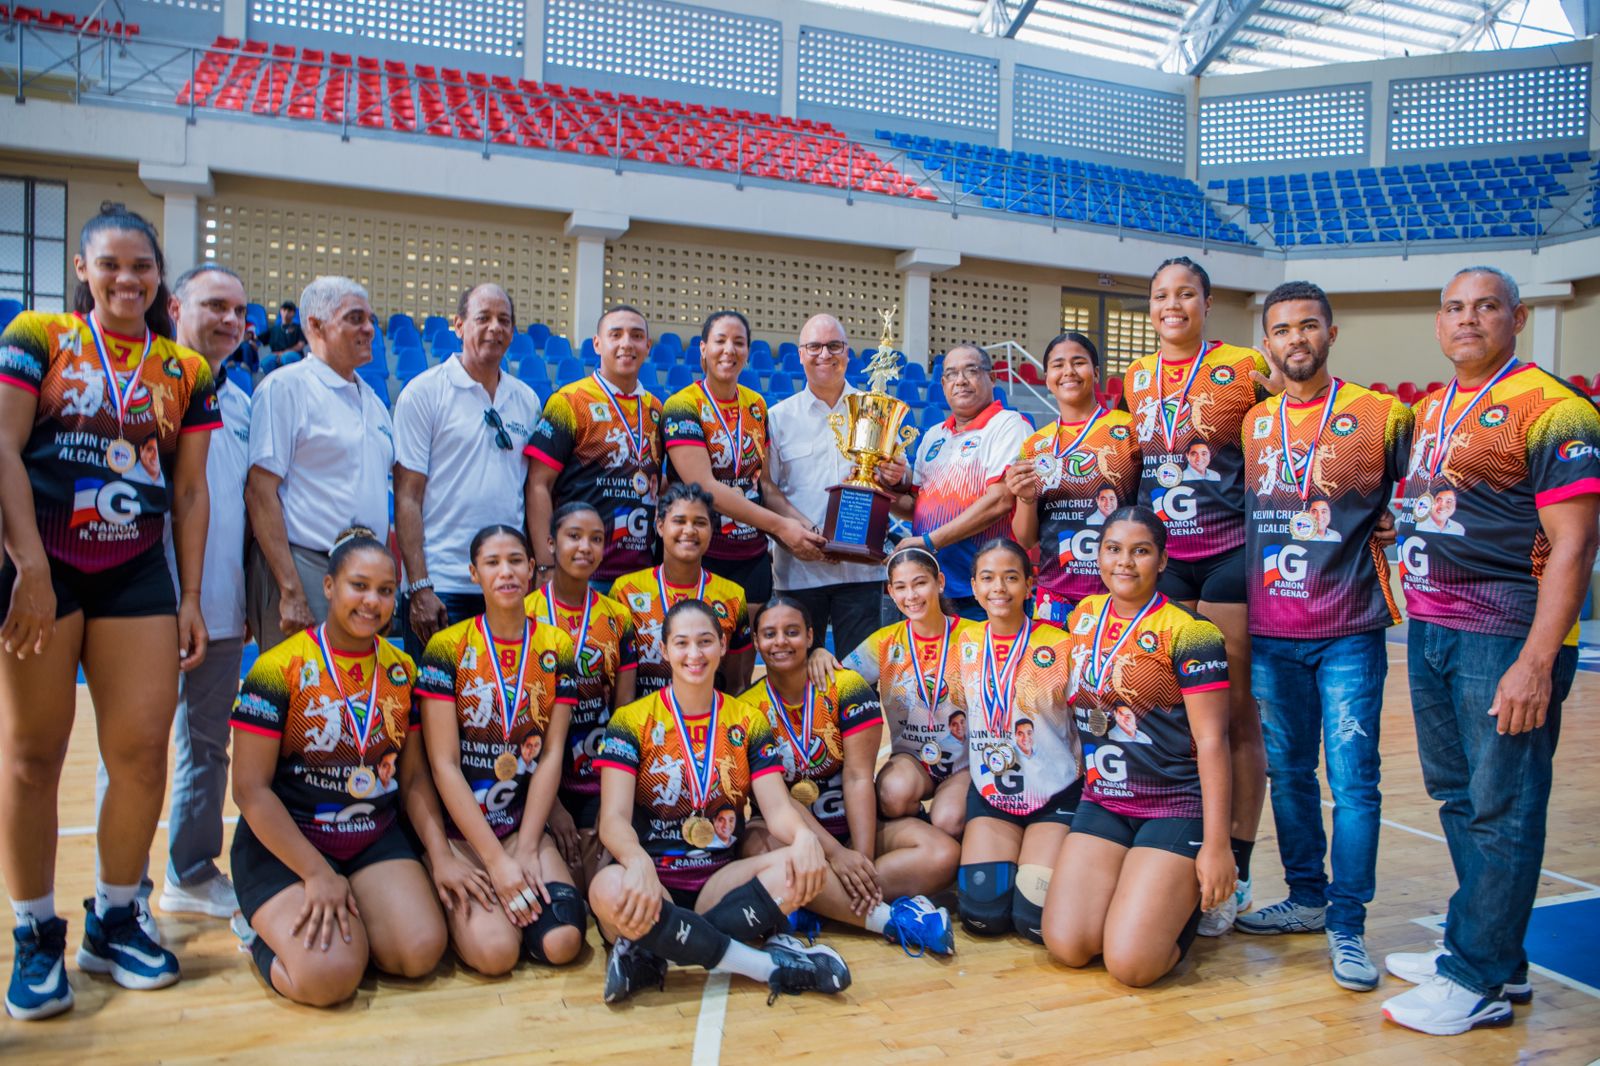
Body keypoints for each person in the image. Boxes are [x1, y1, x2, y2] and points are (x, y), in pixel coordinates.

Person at [0, 207, 218, 1019]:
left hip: (135, 573)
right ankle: (32, 932)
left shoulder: (185, 369)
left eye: (142, 267)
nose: (127, 280)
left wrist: (191, 594)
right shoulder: (38, 336)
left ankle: (116, 916)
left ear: (160, 277)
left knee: (140, 756)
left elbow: (192, 491)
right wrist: (26, 567)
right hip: (44, 567)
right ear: (85, 271)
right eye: (111, 265)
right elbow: (2, 447)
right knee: (32, 757)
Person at [1382, 267, 1600, 1036]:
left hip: (1505, 629)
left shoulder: (1555, 410)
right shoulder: (1431, 408)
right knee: (1460, 795)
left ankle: (1472, 977)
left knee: (1504, 804)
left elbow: (1575, 547)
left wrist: (1537, 660)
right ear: (1439, 325)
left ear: (1515, 317)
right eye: (1454, 308)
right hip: (1432, 626)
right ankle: (1496, 954)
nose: (1467, 319)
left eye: (1485, 307)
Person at [1236, 281, 1413, 992]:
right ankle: (1307, 898)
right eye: (1281, 330)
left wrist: (1397, 521)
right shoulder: (1253, 423)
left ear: (1331, 334)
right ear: (1269, 341)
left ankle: (1348, 924)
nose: (1295, 340)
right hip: (1271, 632)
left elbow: (1424, 487)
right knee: (1289, 775)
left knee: (1354, 784)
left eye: (1308, 327)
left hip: (1349, 630)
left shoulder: (1381, 415)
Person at [587, 599, 852, 1005]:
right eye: (682, 643)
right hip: (654, 881)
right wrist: (638, 862)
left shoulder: (747, 719)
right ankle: (766, 967)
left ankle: (660, 947)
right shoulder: (630, 720)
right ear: (664, 650)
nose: (694, 655)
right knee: (605, 888)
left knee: (799, 861)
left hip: (720, 885)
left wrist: (804, 839)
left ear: (723, 646)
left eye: (705, 642)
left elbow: (778, 808)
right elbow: (613, 819)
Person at [228, 527, 447, 1006]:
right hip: (290, 842)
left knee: (420, 953)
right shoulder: (277, 667)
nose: (372, 602)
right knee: (328, 979)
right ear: (328, 587)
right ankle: (256, 932)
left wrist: (441, 854)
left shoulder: (401, 669)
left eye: (386, 591)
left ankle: (356, 922)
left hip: (370, 833)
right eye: (359, 586)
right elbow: (249, 791)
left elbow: (411, 777)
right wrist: (316, 873)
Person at [1122, 255, 1269, 934]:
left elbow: (1301, 427)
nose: (1172, 304)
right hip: (1165, 560)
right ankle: (1181, 846)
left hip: (1230, 555)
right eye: (1160, 294)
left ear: (1207, 302)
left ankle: (1233, 867)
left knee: (1233, 714)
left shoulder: (1246, 366)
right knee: (1173, 711)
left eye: (1185, 293)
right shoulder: (1137, 377)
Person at [1041, 506, 1234, 987]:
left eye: (1140, 551)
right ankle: (1142, 892)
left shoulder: (1191, 633)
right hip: (1103, 801)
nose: (1124, 563)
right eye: (1113, 550)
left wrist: (1218, 845)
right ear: (1099, 555)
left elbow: (1213, 741)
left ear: (1163, 561)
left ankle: (1180, 909)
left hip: (1173, 805)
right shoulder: (1083, 617)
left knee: (1131, 966)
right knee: (1068, 946)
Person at [408, 525, 585, 974]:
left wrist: (525, 849)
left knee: (563, 941)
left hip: (518, 825)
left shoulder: (556, 645)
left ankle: (514, 903)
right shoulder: (446, 648)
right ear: (473, 573)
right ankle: (452, 897)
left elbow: (551, 753)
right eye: (492, 563)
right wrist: (494, 862)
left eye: (515, 561)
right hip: (461, 835)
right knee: (495, 955)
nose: (506, 572)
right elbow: (443, 765)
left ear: (531, 569)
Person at [741, 596, 958, 955]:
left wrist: (861, 858)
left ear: (811, 636)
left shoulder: (847, 687)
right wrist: (836, 858)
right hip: (791, 836)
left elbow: (858, 778)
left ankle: (816, 902)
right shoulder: (747, 708)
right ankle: (892, 917)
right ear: (756, 642)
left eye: (792, 632)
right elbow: (777, 802)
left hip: (853, 824)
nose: (781, 642)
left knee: (943, 854)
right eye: (770, 634)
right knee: (755, 846)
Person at [154, 264, 256, 923]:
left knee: (208, 745)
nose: (228, 319)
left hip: (218, 606)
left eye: (238, 311)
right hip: (141, 605)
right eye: (213, 305)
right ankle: (121, 892)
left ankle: (189, 872)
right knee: (133, 753)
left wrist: (243, 601)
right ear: (174, 308)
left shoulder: (242, 403)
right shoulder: (143, 387)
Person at [245, 275, 393, 653]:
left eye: (371, 319)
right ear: (314, 324)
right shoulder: (285, 388)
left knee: (345, 699)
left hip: (362, 573)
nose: (369, 329)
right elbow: (260, 493)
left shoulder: (374, 401)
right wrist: (290, 587)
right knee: (300, 696)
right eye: (355, 318)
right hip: (305, 565)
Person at [394, 284, 541, 659]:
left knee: (494, 707)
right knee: (433, 710)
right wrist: (419, 586)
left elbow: (528, 491)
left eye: (504, 320)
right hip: (442, 584)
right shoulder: (424, 393)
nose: (495, 327)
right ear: (458, 326)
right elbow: (408, 495)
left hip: (505, 585)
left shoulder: (526, 399)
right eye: (483, 318)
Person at [952, 539, 1079, 945]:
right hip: (992, 793)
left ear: (1030, 584)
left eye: (1011, 578)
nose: (999, 588)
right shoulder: (963, 643)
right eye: (987, 578)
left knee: (1034, 922)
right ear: (973, 586)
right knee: (981, 917)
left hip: (1053, 793)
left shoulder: (1061, 647)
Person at [663, 310, 825, 606]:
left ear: (748, 352)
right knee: (698, 648)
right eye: (720, 341)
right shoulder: (682, 405)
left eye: (739, 342)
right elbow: (704, 486)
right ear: (703, 348)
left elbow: (762, 485)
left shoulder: (756, 405)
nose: (729, 350)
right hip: (701, 551)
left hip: (751, 555)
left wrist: (806, 526)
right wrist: (779, 526)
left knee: (744, 651)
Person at [525, 501, 637, 888]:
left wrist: (611, 804)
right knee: (562, 887)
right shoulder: (526, 614)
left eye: (596, 539)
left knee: (598, 882)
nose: (585, 547)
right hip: (534, 776)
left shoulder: (618, 617)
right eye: (574, 536)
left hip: (595, 776)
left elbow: (622, 713)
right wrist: (551, 808)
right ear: (551, 543)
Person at [878, 344, 1030, 620]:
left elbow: (1000, 500)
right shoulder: (934, 436)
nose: (960, 380)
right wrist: (877, 488)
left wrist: (929, 541)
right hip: (935, 589)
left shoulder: (1009, 425)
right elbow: (916, 507)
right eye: (951, 374)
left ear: (992, 378)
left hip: (985, 590)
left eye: (971, 371)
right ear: (944, 384)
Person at [831, 547, 975, 838]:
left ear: (940, 582)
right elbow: (838, 684)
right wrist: (820, 657)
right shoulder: (883, 642)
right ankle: (923, 843)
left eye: (920, 583)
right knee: (890, 795)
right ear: (891, 592)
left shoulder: (975, 635)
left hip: (965, 761)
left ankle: (951, 845)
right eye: (901, 587)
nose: (911, 595)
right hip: (912, 759)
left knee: (948, 819)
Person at [766, 314, 885, 657]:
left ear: (847, 353)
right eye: (814, 346)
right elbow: (769, 488)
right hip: (799, 572)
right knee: (798, 676)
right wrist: (807, 531)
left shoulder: (874, 411)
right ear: (800, 354)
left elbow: (895, 488)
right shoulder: (778, 417)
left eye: (834, 346)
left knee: (859, 680)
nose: (824, 354)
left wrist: (896, 476)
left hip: (861, 573)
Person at [525, 305, 663, 592]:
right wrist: (545, 564)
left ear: (647, 346)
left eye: (636, 336)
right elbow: (538, 484)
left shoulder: (656, 409)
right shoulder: (569, 401)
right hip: (581, 571)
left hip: (640, 573)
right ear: (597, 344)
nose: (627, 343)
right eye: (616, 335)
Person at [1005, 333, 1141, 626]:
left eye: (1078, 362)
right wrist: (1026, 498)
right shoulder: (1035, 445)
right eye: (1058, 365)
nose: (1068, 371)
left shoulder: (1128, 428)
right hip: (1055, 593)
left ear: (1096, 373)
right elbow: (1027, 538)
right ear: (1047, 376)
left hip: (1118, 591)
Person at [610, 483, 753, 696]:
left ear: (711, 531)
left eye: (700, 522)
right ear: (660, 526)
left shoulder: (732, 595)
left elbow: (735, 685)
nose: (689, 530)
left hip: (709, 724)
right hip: (645, 724)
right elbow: (618, 684)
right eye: (679, 521)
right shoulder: (625, 591)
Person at [263, 300, 306, 365]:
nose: (286, 312)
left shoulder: (299, 328)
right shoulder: (274, 329)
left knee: (287, 358)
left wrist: (283, 353)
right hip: (276, 355)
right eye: (284, 310)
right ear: (280, 311)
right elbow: (258, 339)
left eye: (289, 311)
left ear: (294, 313)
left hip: (293, 355)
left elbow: (300, 345)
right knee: (266, 362)